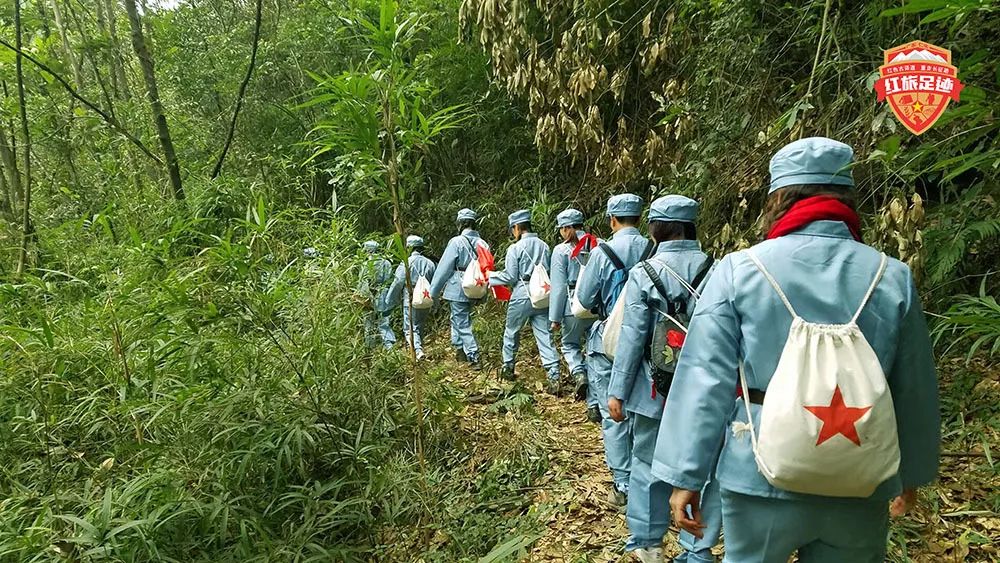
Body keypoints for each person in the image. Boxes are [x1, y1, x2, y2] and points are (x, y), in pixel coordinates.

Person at [656, 138, 940, 562]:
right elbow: (913, 386)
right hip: (859, 473)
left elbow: (705, 378)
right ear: (847, 196)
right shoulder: (891, 276)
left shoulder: (740, 271)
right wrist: (910, 473)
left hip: (757, 472)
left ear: (777, 198)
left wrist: (686, 476)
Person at [607, 195, 721, 563]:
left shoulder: (646, 273)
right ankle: (697, 549)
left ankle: (648, 541)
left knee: (645, 463)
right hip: (703, 387)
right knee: (703, 466)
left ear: (656, 228)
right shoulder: (715, 269)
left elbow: (632, 336)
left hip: (652, 386)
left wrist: (617, 391)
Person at [575, 193, 655, 508]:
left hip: (609, 342)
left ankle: (623, 484)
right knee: (643, 409)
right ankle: (646, 478)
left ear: (611, 219)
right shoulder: (655, 249)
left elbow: (582, 301)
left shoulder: (602, 252)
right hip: (649, 342)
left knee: (614, 412)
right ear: (641, 218)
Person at [489, 209, 561, 392]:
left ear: (517, 228)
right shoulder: (544, 246)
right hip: (543, 294)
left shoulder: (515, 248)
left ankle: (508, 367)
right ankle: (554, 375)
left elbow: (511, 277)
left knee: (512, 330)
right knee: (545, 335)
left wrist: (490, 277)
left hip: (523, 294)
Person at [549, 208, 601, 421]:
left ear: (566, 228)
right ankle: (594, 405)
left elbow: (558, 287)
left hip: (573, 305)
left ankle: (579, 373)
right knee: (596, 353)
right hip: (598, 308)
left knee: (570, 344)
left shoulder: (561, 251)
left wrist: (554, 318)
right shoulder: (600, 244)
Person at [430, 208, 489, 369]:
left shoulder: (456, 242)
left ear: (460, 224)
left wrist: (433, 291)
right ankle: (459, 349)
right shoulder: (482, 243)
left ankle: (473, 355)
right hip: (477, 285)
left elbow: (444, 268)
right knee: (458, 318)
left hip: (459, 286)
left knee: (462, 322)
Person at [385, 235, 437, 361]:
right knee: (420, 325)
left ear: (408, 248)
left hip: (411, 296)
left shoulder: (406, 263)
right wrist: (435, 303)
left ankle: (418, 352)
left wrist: (390, 299)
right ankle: (419, 348)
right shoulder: (430, 263)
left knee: (410, 327)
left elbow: (398, 282)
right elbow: (435, 283)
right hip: (426, 297)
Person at [362, 240, 396, 350]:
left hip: (368, 294)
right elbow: (389, 279)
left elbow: (361, 282)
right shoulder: (386, 263)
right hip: (383, 294)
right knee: (384, 322)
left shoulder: (366, 264)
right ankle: (389, 347)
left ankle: (370, 347)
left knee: (368, 323)